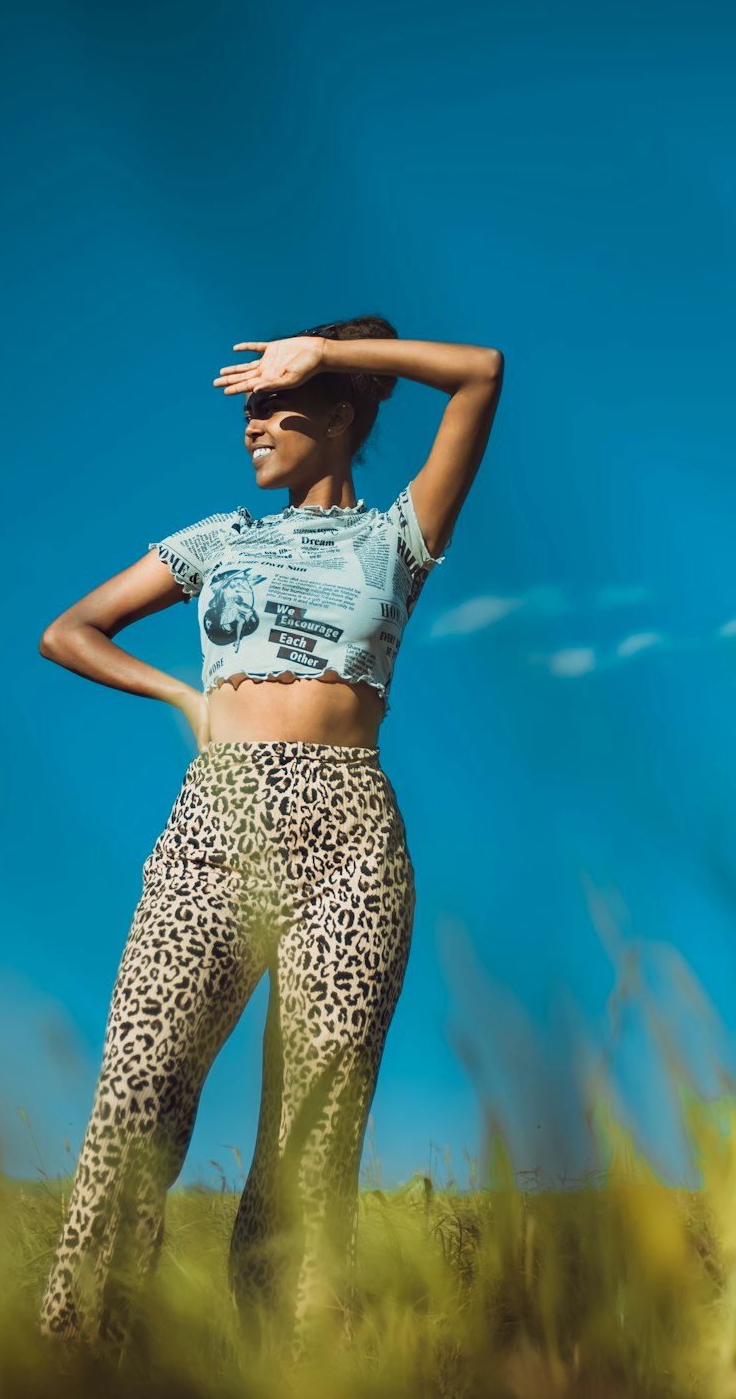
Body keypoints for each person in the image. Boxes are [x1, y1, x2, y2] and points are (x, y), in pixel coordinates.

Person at [36, 314, 504, 1359]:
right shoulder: (218, 542)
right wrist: (183, 699)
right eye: (245, 413)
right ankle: (71, 1366)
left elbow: (480, 374)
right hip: (217, 820)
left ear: (337, 417)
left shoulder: (397, 537)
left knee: (308, 1148)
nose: (250, 428)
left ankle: (282, 1372)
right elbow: (69, 630)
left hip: (349, 841)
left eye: (272, 408)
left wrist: (326, 353)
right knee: (136, 1099)